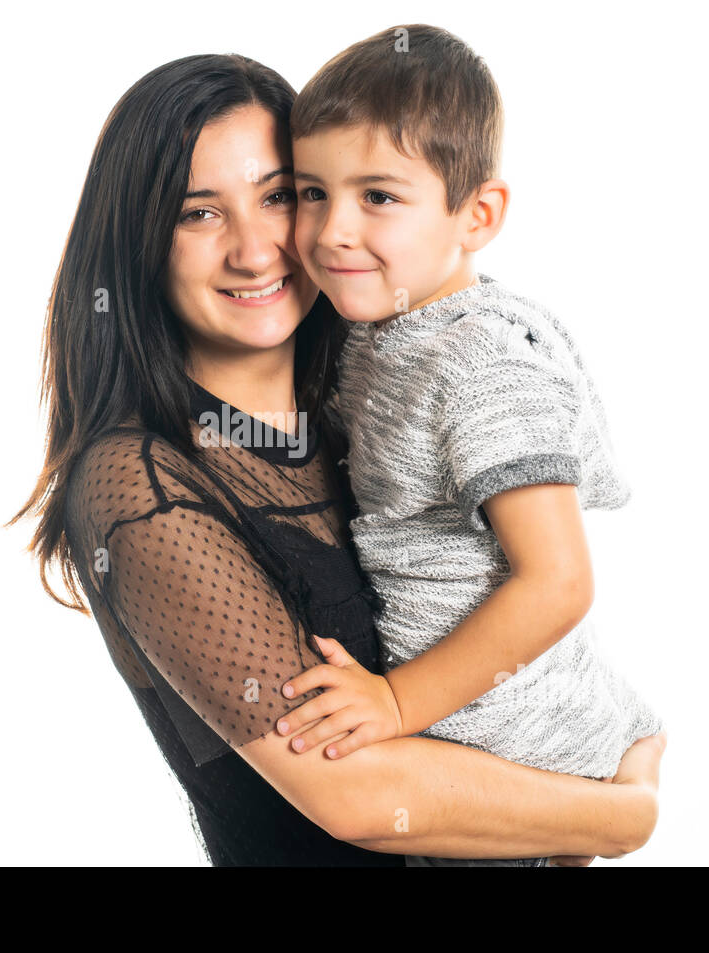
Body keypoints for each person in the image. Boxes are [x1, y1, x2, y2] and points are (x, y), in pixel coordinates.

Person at [8, 50, 666, 867]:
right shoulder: (139, 487)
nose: (256, 250)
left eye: (280, 196)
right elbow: (357, 794)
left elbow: (534, 608)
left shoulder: (376, 403)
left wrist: (608, 736)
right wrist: (623, 814)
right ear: (141, 243)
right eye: (198, 213)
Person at [270, 24, 667, 867]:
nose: (333, 229)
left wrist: (397, 703)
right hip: (470, 734)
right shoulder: (383, 327)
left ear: (477, 215)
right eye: (311, 192)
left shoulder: (480, 359)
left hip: (505, 747)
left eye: (378, 196)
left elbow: (558, 580)